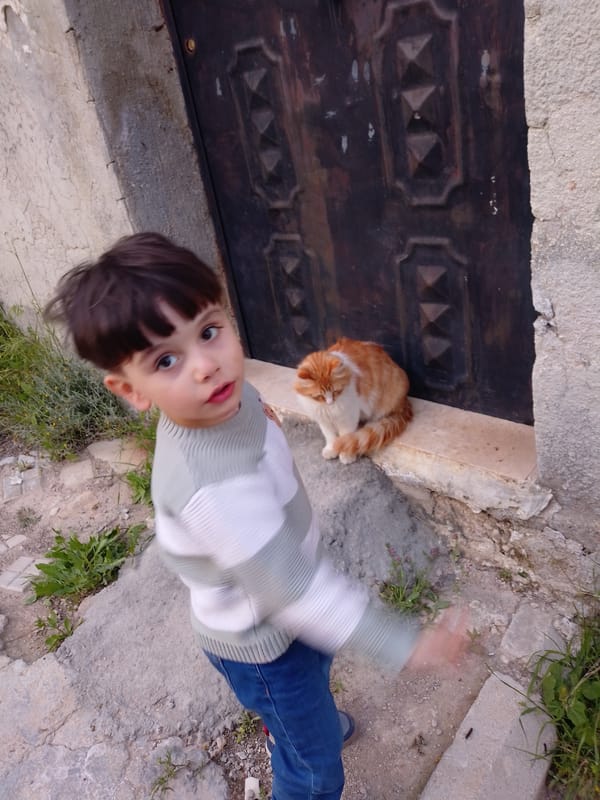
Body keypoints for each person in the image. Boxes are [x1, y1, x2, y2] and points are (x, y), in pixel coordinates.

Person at [45, 232, 467, 800]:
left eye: (210, 332)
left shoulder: (228, 399)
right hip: (265, 641)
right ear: (130, 390)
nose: (206, 367)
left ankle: (302, 726)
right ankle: (301, 742)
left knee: (313, 684)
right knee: (315, 773)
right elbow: (294, 593)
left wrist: (259, 410)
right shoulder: (213, 490)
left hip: (284, 610)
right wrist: (403, 644)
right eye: (166, 360)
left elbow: (249, 420)